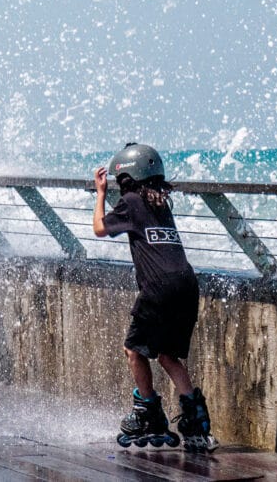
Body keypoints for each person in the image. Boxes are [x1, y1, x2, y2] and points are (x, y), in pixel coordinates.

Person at [93, 143, 218, 452]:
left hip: (159, 288)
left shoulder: (132, 201)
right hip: (187, 284)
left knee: (133, 351)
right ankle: (197, 421)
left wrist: (99, 194)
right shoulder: (161, 203)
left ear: (126, 179)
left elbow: (99, 228)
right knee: (166, 355)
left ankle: (149, 412)